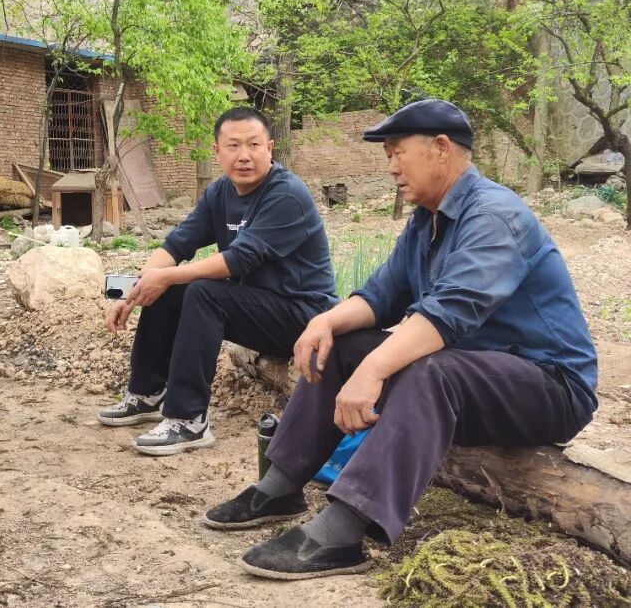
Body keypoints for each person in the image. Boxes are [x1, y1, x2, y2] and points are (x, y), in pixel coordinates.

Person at [203, 99, 598, 580]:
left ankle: (344, 531)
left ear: (441, 148)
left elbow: (449, 313)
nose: (391, 167)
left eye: (397, 153)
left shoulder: (494, 215)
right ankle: (281, 485)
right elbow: (381, 295)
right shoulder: (426, 221)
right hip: (477, 373)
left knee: (430, 369)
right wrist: (325, 323)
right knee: (345, 344)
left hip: (549, 386)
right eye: (387, 155)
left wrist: (373, 372)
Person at [97, 106, 337, 455]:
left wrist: (165, 276)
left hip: (304, 317)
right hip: (257, 308)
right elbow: (177, 245)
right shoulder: (220, 193)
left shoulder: (286, 194)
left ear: (270, 148)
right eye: (233, 146)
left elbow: (239, 260)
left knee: (202, 291)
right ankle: (148, 393)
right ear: (217, 151)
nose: (244, 155)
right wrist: (133, 292)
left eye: (254, 145)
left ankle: (188, 420)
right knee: (171, 285)